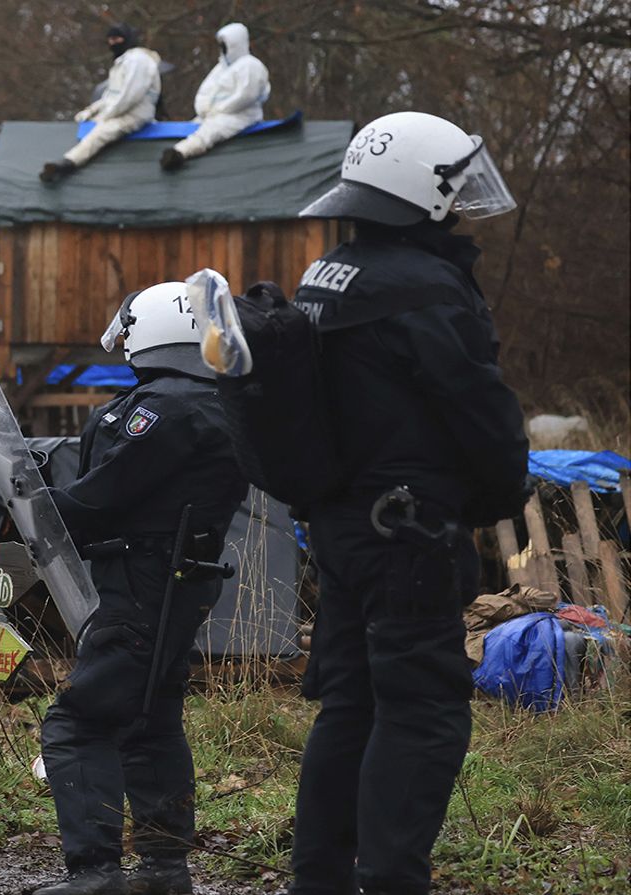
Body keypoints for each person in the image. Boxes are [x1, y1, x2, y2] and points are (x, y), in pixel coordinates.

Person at [276, 111, 527, 895]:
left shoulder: (332, 272)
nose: (464, 203)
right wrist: (494, 497)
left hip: (343, 527)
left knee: (350, 705)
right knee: (422, 711)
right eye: (454, 187)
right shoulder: (424, 285)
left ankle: (319, 880)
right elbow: (481, 413)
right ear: (423, 192)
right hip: (409, 535)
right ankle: (390, 881)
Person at [30, 283, 246, 895]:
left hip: (140, 584)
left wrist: (30, 506)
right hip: (182, 584)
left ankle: (96, 872)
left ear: (147, 332)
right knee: (151, 721)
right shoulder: (222, 404)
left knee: (79, 723)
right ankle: (164, 868)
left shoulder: (159, 409)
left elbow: (101, 499)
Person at [43, 24, 161, 182]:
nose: (113, 43)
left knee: (102, 132)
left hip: (135, 113)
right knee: (90, 126)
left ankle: (68, 163)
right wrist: (91, 111)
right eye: (110, 40)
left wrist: (107, 115)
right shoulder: (122, 62)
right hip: (119, 111)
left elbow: (131, 95)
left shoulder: (138, 60)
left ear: (127, 39)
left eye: (116, 39)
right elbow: (111, 96)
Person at [161, 23, 268, 172]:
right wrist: (205, 109)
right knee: (191, 127)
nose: (223, 49)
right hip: (214, 114)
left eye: (226, 45)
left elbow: (247, 95)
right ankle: (173, 146)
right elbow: (205, 91)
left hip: (241, 115)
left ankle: (180, 153)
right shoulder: (221, 68)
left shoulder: (250, 65)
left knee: (212, 130)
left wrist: (221, 109)